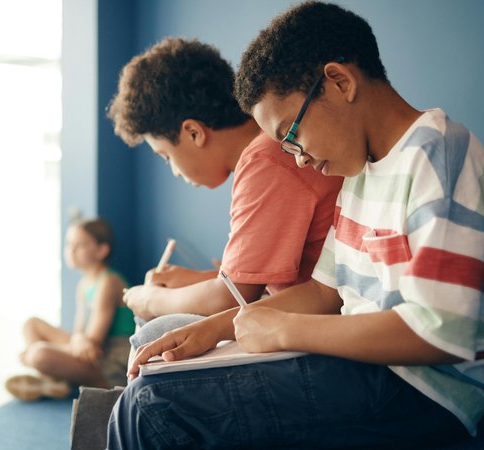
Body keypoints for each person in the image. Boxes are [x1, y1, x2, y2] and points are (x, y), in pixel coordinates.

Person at [109, 3, 484, 449]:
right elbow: (326, 291)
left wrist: (283, 330)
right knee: (161, 362)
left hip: (424, 391)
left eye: (291, 134)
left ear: (340, 82)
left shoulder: (439, 153)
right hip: (362, 366)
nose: (299, 158)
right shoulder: (359, 174)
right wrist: (219, 327)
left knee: (153, 404)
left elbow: (439, 332)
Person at [107, 38, 340, 345]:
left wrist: (149, 299)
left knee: (153, 327)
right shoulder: (265, 151)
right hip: (299, 313)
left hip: (316, 331)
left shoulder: (266, 160)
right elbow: (251, 285)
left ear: (194, 132)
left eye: (166, 157)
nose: (175, 172)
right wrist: (198, 281)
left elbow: (230, 298)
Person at [5, 219, 134, 401]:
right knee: (31, 324)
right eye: (69, 244)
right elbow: (79, 334)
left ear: (101, 250)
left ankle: (57, 378)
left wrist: (74, 342)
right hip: (89, 348)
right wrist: (78, 339)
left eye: (80, 245)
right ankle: (51, 381)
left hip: (109, 358)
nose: (71, 250)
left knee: (39, 353)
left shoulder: (108, 282)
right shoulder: (84, 284)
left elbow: (94, 342)